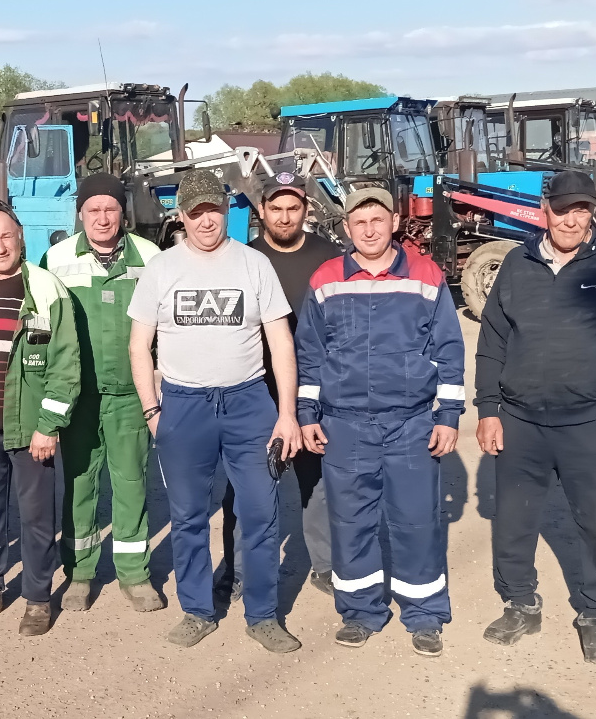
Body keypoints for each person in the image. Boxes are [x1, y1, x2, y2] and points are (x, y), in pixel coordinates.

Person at [475, 170, 596, 665]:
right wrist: (488, 409)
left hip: (592, 424)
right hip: (521, 423)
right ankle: (520, 603)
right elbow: (491, 341)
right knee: (514, 521)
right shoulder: (516, 264)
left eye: (582, 210)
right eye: (563, 210)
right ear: (545, 211)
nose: (572, 220)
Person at [128, 171, 303, 653]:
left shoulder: (254, 264)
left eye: (214, 210)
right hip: (184, 406)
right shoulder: (162, 268)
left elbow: (280, 343)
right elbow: (139, 345)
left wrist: (286, 414)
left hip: (249, 404)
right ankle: (198, 611)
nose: (206, 221)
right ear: (181, 216)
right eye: (196, 212)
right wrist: (152, 410)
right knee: (187, 516)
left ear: (227, 210)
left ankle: (263, 616)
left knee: (260, 512)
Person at [295, 187, 467, 657]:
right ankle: (360, 612)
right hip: (345, 425)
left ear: (393, 222)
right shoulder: (326, 279)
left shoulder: (426, 275)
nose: (369, 230)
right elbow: (310, 354)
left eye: (377, 220)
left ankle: (424, 614)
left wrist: (448, 416)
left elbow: (449, 350)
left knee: (416, 522)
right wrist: (307, 414)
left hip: (410, 424)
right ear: (346, 228)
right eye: (359, 222)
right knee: (350, 523)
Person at [0, 199, 81, 636]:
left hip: (30, 429)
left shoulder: (45, 288)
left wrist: (49, 425)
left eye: (6, 236)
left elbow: (66, 363)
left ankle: (38, 599)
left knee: (36, 519)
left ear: (21, 237)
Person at [41, 174, 165, 613]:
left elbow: (165, 326)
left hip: (130, 394)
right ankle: (80, 574)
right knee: (80, 485)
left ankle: (135, 575)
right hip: (78, 396)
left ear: (122, 213)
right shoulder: (56, 259)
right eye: (93, 209)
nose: (102, 217)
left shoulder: (150, 257)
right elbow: (42, 326)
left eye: (110, 208)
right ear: (80, 214)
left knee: (132, 482)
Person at [217, 173, 343, 601]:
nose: (285, 217)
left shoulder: (330, 258)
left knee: (318, 483)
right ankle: (237, 570)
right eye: (276, 208)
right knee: (247, 486)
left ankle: (326, 566)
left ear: (306, 210)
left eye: (293, 208)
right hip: (255, 391)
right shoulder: (243, 258)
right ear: (262, 211)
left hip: (315, 390)